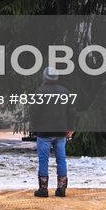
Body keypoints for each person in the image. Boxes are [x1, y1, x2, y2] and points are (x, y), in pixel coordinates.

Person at [31, 67, 75, 198]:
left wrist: (35, 126)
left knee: (43, 159)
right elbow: (71, 112)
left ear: (44, 77)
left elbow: (34, 113)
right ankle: (61, 188)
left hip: (44, 132)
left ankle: (43, 189)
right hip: (61, 132)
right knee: (61, 159)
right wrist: (70, 128)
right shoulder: (65, 92)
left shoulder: (39, 92)